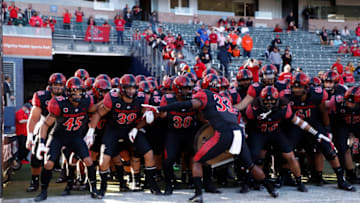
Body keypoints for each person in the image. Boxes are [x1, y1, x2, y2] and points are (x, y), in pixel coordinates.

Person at [143, 74, 279, 202]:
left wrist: (159, 109)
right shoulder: (224, 98)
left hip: (224, 131)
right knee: (250, 164)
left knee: (197, 161)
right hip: (237, 131)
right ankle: (271, 190)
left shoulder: (204, 94)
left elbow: (187, 104)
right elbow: (234, 113)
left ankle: (198, 194)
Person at [88, 74, 162, 198]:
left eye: (133, 88)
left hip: (130, 129)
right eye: (128, 88)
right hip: (114, 129)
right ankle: (103, 187)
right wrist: (91, 132)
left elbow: (146, 116)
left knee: (149, 153)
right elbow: (98, 114)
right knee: (104, 157)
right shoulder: (113, 98)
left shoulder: (141, 98)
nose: (131, 91)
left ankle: (152, 184)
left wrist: (138, 127)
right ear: (122, 89)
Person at [34, 77, 101, 201]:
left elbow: (97, 110)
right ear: (68, 91)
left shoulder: (86, 102)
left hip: (75, 136)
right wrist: (42, 143)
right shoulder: (59, 103)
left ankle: (94, 190)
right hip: (58, 136)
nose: (78, 94)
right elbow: (46, 124)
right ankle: (43, 192)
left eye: (80, 91)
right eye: (74, 91)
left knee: (89, 161)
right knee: (48, 164)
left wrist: (91, 131)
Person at [25, 73, 67, 193]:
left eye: (61, 85)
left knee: (70, 154)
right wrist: (29, 137)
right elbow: (33, 118)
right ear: (50, 85)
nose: (58, 88)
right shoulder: (42, 96)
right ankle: (34, 180)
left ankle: (67, 177)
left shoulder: (68, 96)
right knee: (36, 157)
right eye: (55, 85)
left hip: (61, 129)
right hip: (44, 129)